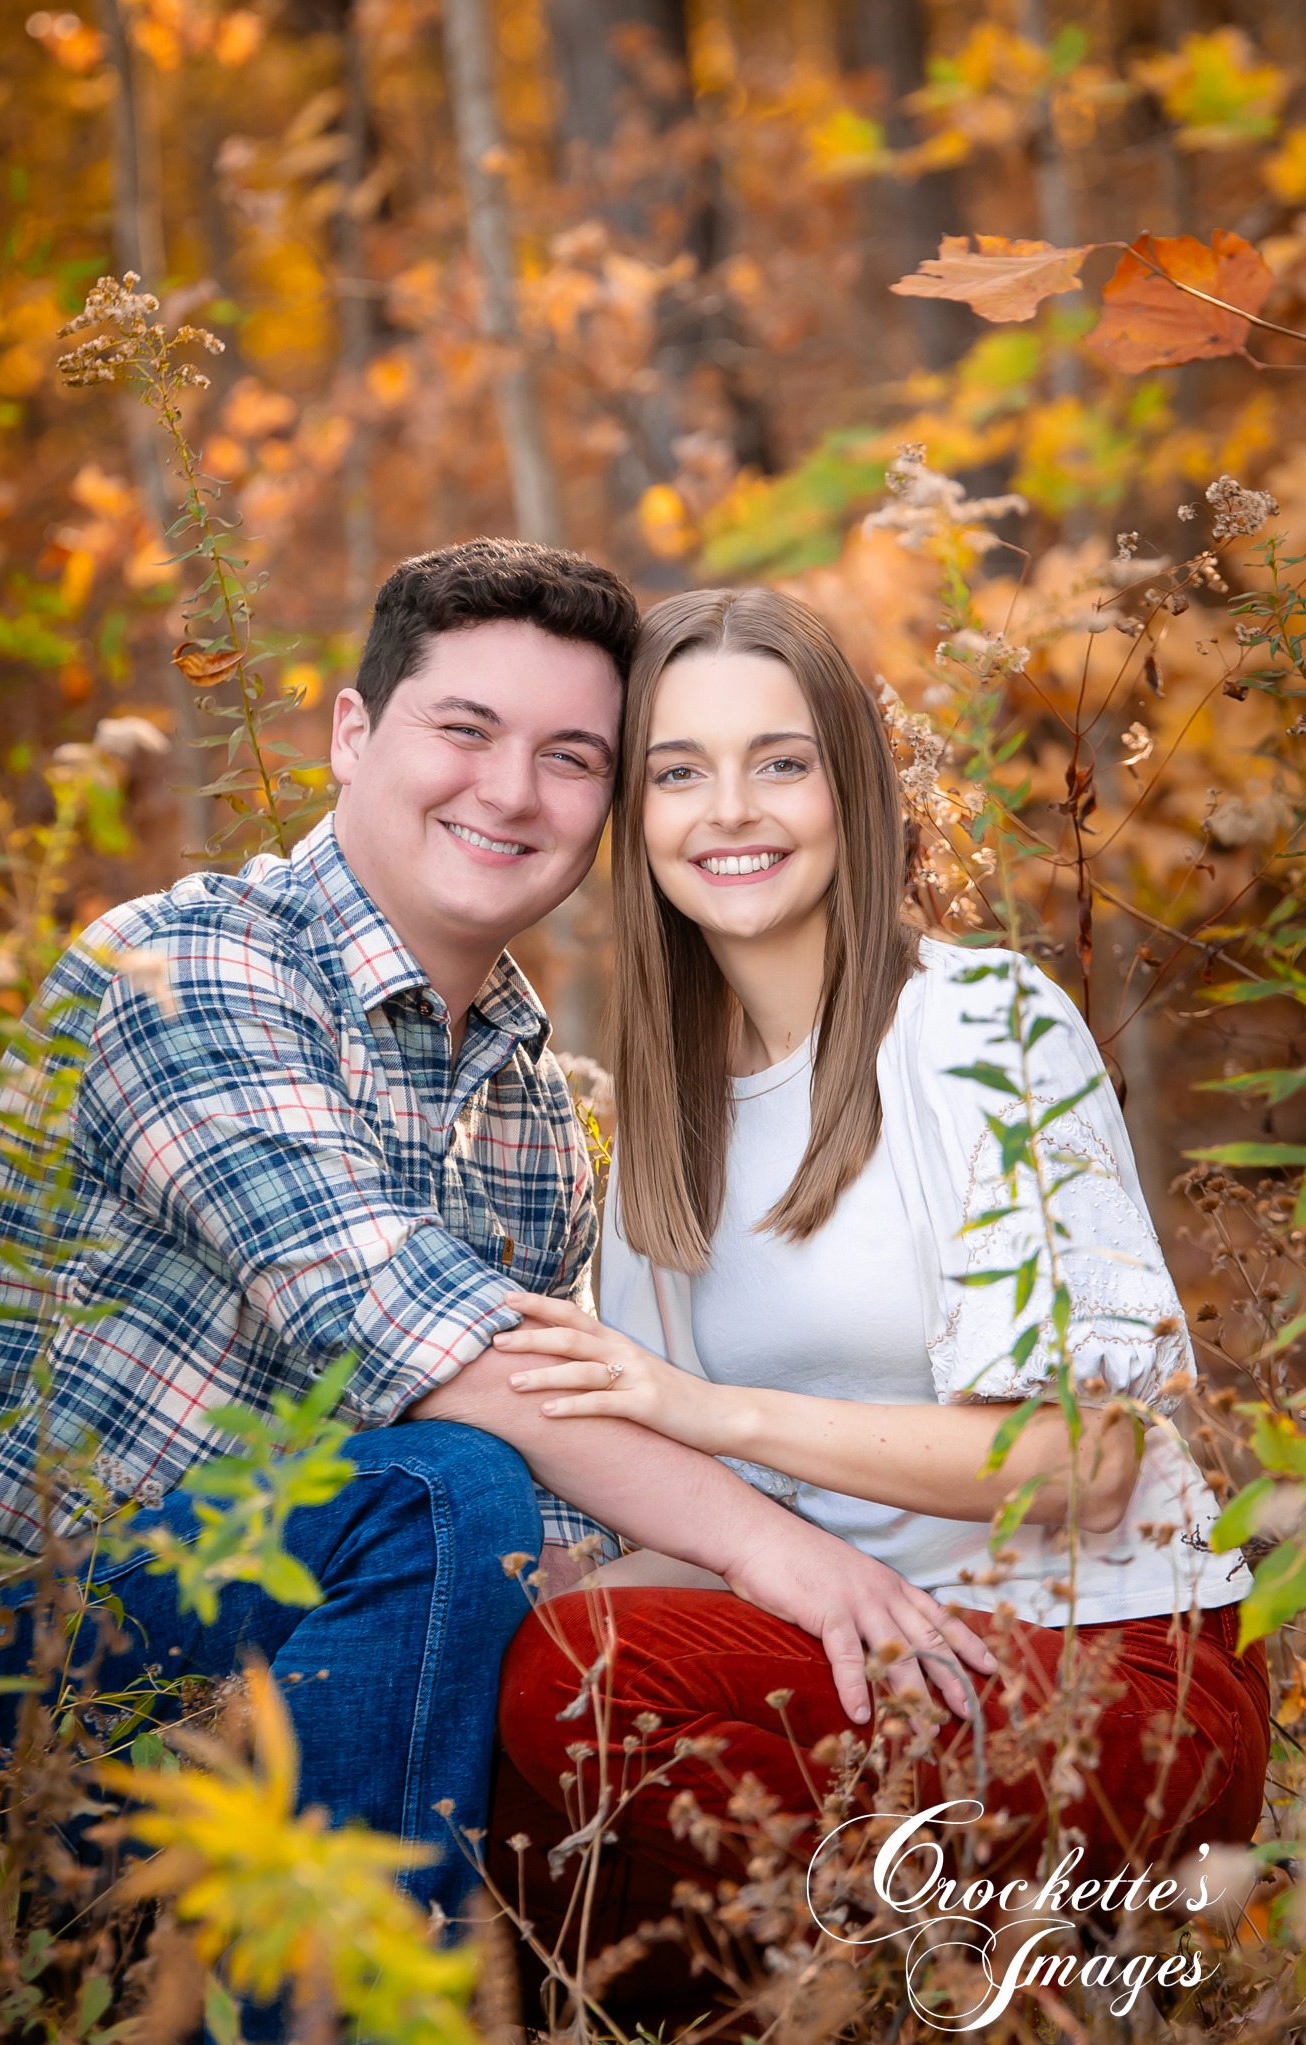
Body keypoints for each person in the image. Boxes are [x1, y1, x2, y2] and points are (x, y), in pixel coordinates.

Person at [0, 546, 994, 2045]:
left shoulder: (536, 1113)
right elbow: (444, 1354)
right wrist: (781, 1545)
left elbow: (555, 1508)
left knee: (515, 1553)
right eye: (465, 731)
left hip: (251, 1743)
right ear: (355, 734)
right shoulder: (188, 969)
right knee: (442, 1488)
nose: (513, 792)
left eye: (573, 759)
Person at [493, 587, 1268, 1949]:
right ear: (636, 820)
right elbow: (703, 1537)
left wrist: (706, 1413)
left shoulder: (977, 1029)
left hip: (1117, 1673)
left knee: (590, 1678)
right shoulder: (668, 1142)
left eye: (779, 761)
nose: (730, 809)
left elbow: (1077, 1463)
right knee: (502, 1748)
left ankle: (921, 1996)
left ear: (849, 784)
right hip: (875, 1673)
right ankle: (903, 2008)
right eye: (679, 772)